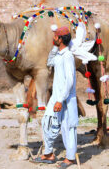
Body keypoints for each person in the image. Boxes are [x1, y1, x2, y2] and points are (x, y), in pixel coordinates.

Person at [33, 26, 78, 168]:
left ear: (60, 39)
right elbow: (49, 62)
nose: (53, 38)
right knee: (47, 122)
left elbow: (70, 80)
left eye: (55, 37)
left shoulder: (68, 56)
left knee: (67, 127)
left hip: (65, 99)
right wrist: (54, 48)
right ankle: (49, 153)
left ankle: (70, 158)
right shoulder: (59, 54)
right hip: (56, 97)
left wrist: (60, 99)